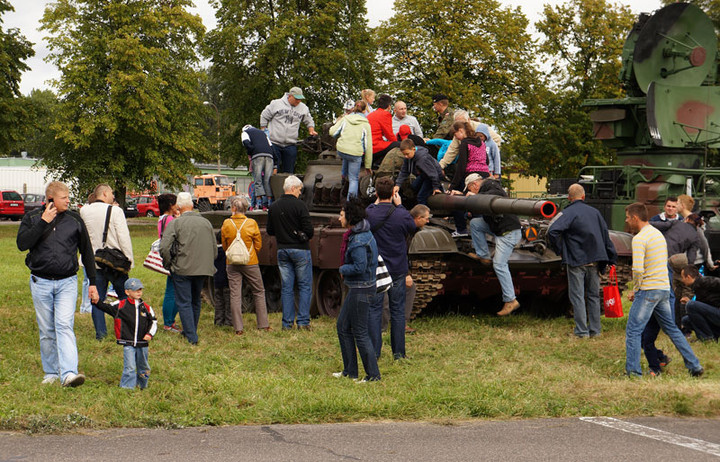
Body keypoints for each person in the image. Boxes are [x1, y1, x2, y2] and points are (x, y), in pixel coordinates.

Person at [17, 181, 98, 387]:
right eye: (65, 198)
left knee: (64, 325)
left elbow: (87, 252)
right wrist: (43, 222)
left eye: (68, 197)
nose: (68, 201)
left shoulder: (74, 219)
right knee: (46, 330)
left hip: (67, 283)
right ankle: (51, 372)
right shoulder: (32, 218)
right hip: (40, 282)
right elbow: (22, 244)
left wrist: (93, 283)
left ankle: (69, 374)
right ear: (51, 199)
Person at [623, 202, 703, 377]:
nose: (627, 220)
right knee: (672, 330)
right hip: (664, 289)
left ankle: (633, 372)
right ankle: (694, 365)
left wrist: (636, 290)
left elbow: (637, 270)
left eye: (628, 217)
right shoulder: (657, 234)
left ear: (635, 217)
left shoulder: (639, 239)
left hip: (648, 290)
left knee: (633, 331)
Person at [547, 184, 617, 338]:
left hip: (576, 259)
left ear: (569, 198)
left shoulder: (567, 213)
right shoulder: (596, 213)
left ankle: (581, 331)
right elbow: (606, 236)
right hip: (596, 259)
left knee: (577, 296)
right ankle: (595, 330)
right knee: (593, 296)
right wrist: (611, 257)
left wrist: (560, 250)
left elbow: (552, 230)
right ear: (584, 197)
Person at [366, 177, 417, 359]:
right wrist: (400, 205)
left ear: (377, 194)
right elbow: (412, 228)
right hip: (397, 268)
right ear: (394, 194)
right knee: (397, 311)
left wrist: (375, 203)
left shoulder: (370, 212)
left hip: (377, 267)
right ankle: (399, 353)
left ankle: (374, 352)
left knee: (375, 310)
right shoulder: (401, 214)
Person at [159, 192, 217, 345]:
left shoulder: (175, 223)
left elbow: (164, 247)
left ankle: (191, 336)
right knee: (195, 300)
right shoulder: (206, 223)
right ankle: (190, 330)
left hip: (182, 268)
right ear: (192, 205)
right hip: (202, 268)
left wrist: (168, 264)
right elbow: (214, 248)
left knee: (184, 301)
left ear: (178, 206)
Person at [334, 198, 381, 382]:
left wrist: (342, 269)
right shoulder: (361, 232)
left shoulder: (359, 239)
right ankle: (350, 372)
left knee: (360, 332)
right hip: (360, 287)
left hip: (362, 288)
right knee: (343, 327)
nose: (339, 218)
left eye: (342, 215)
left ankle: (373, 376)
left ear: (350, 217)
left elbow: (360, 266)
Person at [80, 183, 134, 341]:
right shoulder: (116, 211)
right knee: (125, 297)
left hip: (93, 261)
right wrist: (129, 259)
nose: (113, 196)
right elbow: (123, 237)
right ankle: (129, 328)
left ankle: (101, 334)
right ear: (103, 194)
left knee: (97, 299)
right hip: (114, 262)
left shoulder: (84, 211)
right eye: (111, 193)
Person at [468, 179, 522, 316]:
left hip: (508, 232)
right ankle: (483, 255)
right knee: (475, 223)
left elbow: (492, 194)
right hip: (498, 227)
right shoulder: (485, 192)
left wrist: (476, 198)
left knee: (499, 264)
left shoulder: (493, 190)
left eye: (469, 188)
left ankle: (511, 300)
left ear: (475, 185)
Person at [267, 176, 314, 330]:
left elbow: (270, 230)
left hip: (282, 249)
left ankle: (287, 323)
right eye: (300, 190)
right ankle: (303, 322)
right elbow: (309, 230)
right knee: (304, 286)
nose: (300, 193)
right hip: (300, 250)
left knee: (287, 287)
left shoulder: (274, 206)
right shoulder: (300, 206)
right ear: (293, 188)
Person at [94, 278, 157, 389]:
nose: (139, 292)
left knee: (144, 366)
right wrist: (96, 301)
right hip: (128, 342)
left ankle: (142, 385)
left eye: (140, 290)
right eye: (135, 290)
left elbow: (153, 322)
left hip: (143, 343)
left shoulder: (146, 308)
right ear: (127, 292)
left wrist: (149, 334)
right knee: (130, 367)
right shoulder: (121, 305)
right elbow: (106, 308)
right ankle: (127, 388)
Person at [221, 196, 271, 334]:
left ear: (234, 208)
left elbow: (225, 244)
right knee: (259, 291)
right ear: (246, 208)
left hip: (231, 262)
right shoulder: (251, 223)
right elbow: (259, 244)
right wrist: (251, 254)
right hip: (250, 261)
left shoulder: (226, 223)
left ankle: (238, 328)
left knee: (235, 294)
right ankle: (263, 324)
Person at [260, 86, 317, 173]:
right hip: (274, 142)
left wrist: (311, 129)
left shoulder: (303, 108)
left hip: (290, 144)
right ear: (289, 96)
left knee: (289, 171)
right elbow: (264, 115)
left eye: (300, 99)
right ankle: (271, 185)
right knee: (273, 170)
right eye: (296, 99)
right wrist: (264, 131)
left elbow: (309, 120)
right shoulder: (276, 103)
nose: (298, 101)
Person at [330, 100, 373, 199]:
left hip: (342, 150)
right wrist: (367, 166)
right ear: (364, 111)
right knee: (354, 179)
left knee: (346, 156)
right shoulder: (366, 124)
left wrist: (339, 134)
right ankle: (350, 204)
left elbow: (332, 132)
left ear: (354, 108)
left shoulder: (345, 119)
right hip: (355, 153)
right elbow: (368, 146)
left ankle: (343, 177)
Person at [157, 193, 181, 333]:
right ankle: (169, 322)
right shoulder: (171, 220)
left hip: (168, 258)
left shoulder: (162, 219)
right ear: (171, 205)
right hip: (174, 258)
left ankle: (169, 322)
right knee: (173, 292)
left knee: (170, 290)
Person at [394, 138, 444, 206]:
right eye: (404, 154)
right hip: (424, 175)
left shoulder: (422, 159)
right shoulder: (408, 158)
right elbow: (404, 171)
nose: (406, 156)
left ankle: (423, 212)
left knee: (421, 196)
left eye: (407, 154)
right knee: (414, 186)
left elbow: (433, 174)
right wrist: (398, 185)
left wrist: (436, 187)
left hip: (433, 176)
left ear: (413, 149)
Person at [449, 123, 493, 194]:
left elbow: (461, 166)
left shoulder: (465, 143)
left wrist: (452, 186)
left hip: (472, 176)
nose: (456, 137)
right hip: (485, 175)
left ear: (460, 131)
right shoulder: (481, 142)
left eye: (455, 134)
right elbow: (487, 161)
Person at [680, 265, 720, 342]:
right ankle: (712, 337)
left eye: (683, 277)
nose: (682, 280)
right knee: (686, 320)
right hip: (715, 314)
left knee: (691, 305)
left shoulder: (706, 281)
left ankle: (706, 338)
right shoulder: (697, 286)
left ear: (688, 277)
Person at [242, 124, 277, 211]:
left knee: (258, 181)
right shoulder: (262, 133)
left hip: (257, 156)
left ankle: (260, 204)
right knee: (267, 181)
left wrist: (252, 151)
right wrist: (275, 162)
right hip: (269, 156)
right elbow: (272, 147)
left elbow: (246, 143)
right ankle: (270, 204)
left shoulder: (245, 132)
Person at [367, 94, 400, 166]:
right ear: (389, 106)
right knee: (398, 145)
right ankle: (378, 162)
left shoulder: (371, 114)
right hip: (374, 146)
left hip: (366, 146)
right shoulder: (385, 114)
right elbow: (389, 135)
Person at [213, 231, 232, 327]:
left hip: (217, 280)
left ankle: (218, 320)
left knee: (218, 302)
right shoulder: (227, 252)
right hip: (227, 280)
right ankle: (228, 321)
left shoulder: (214, 251)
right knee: (228, 302)